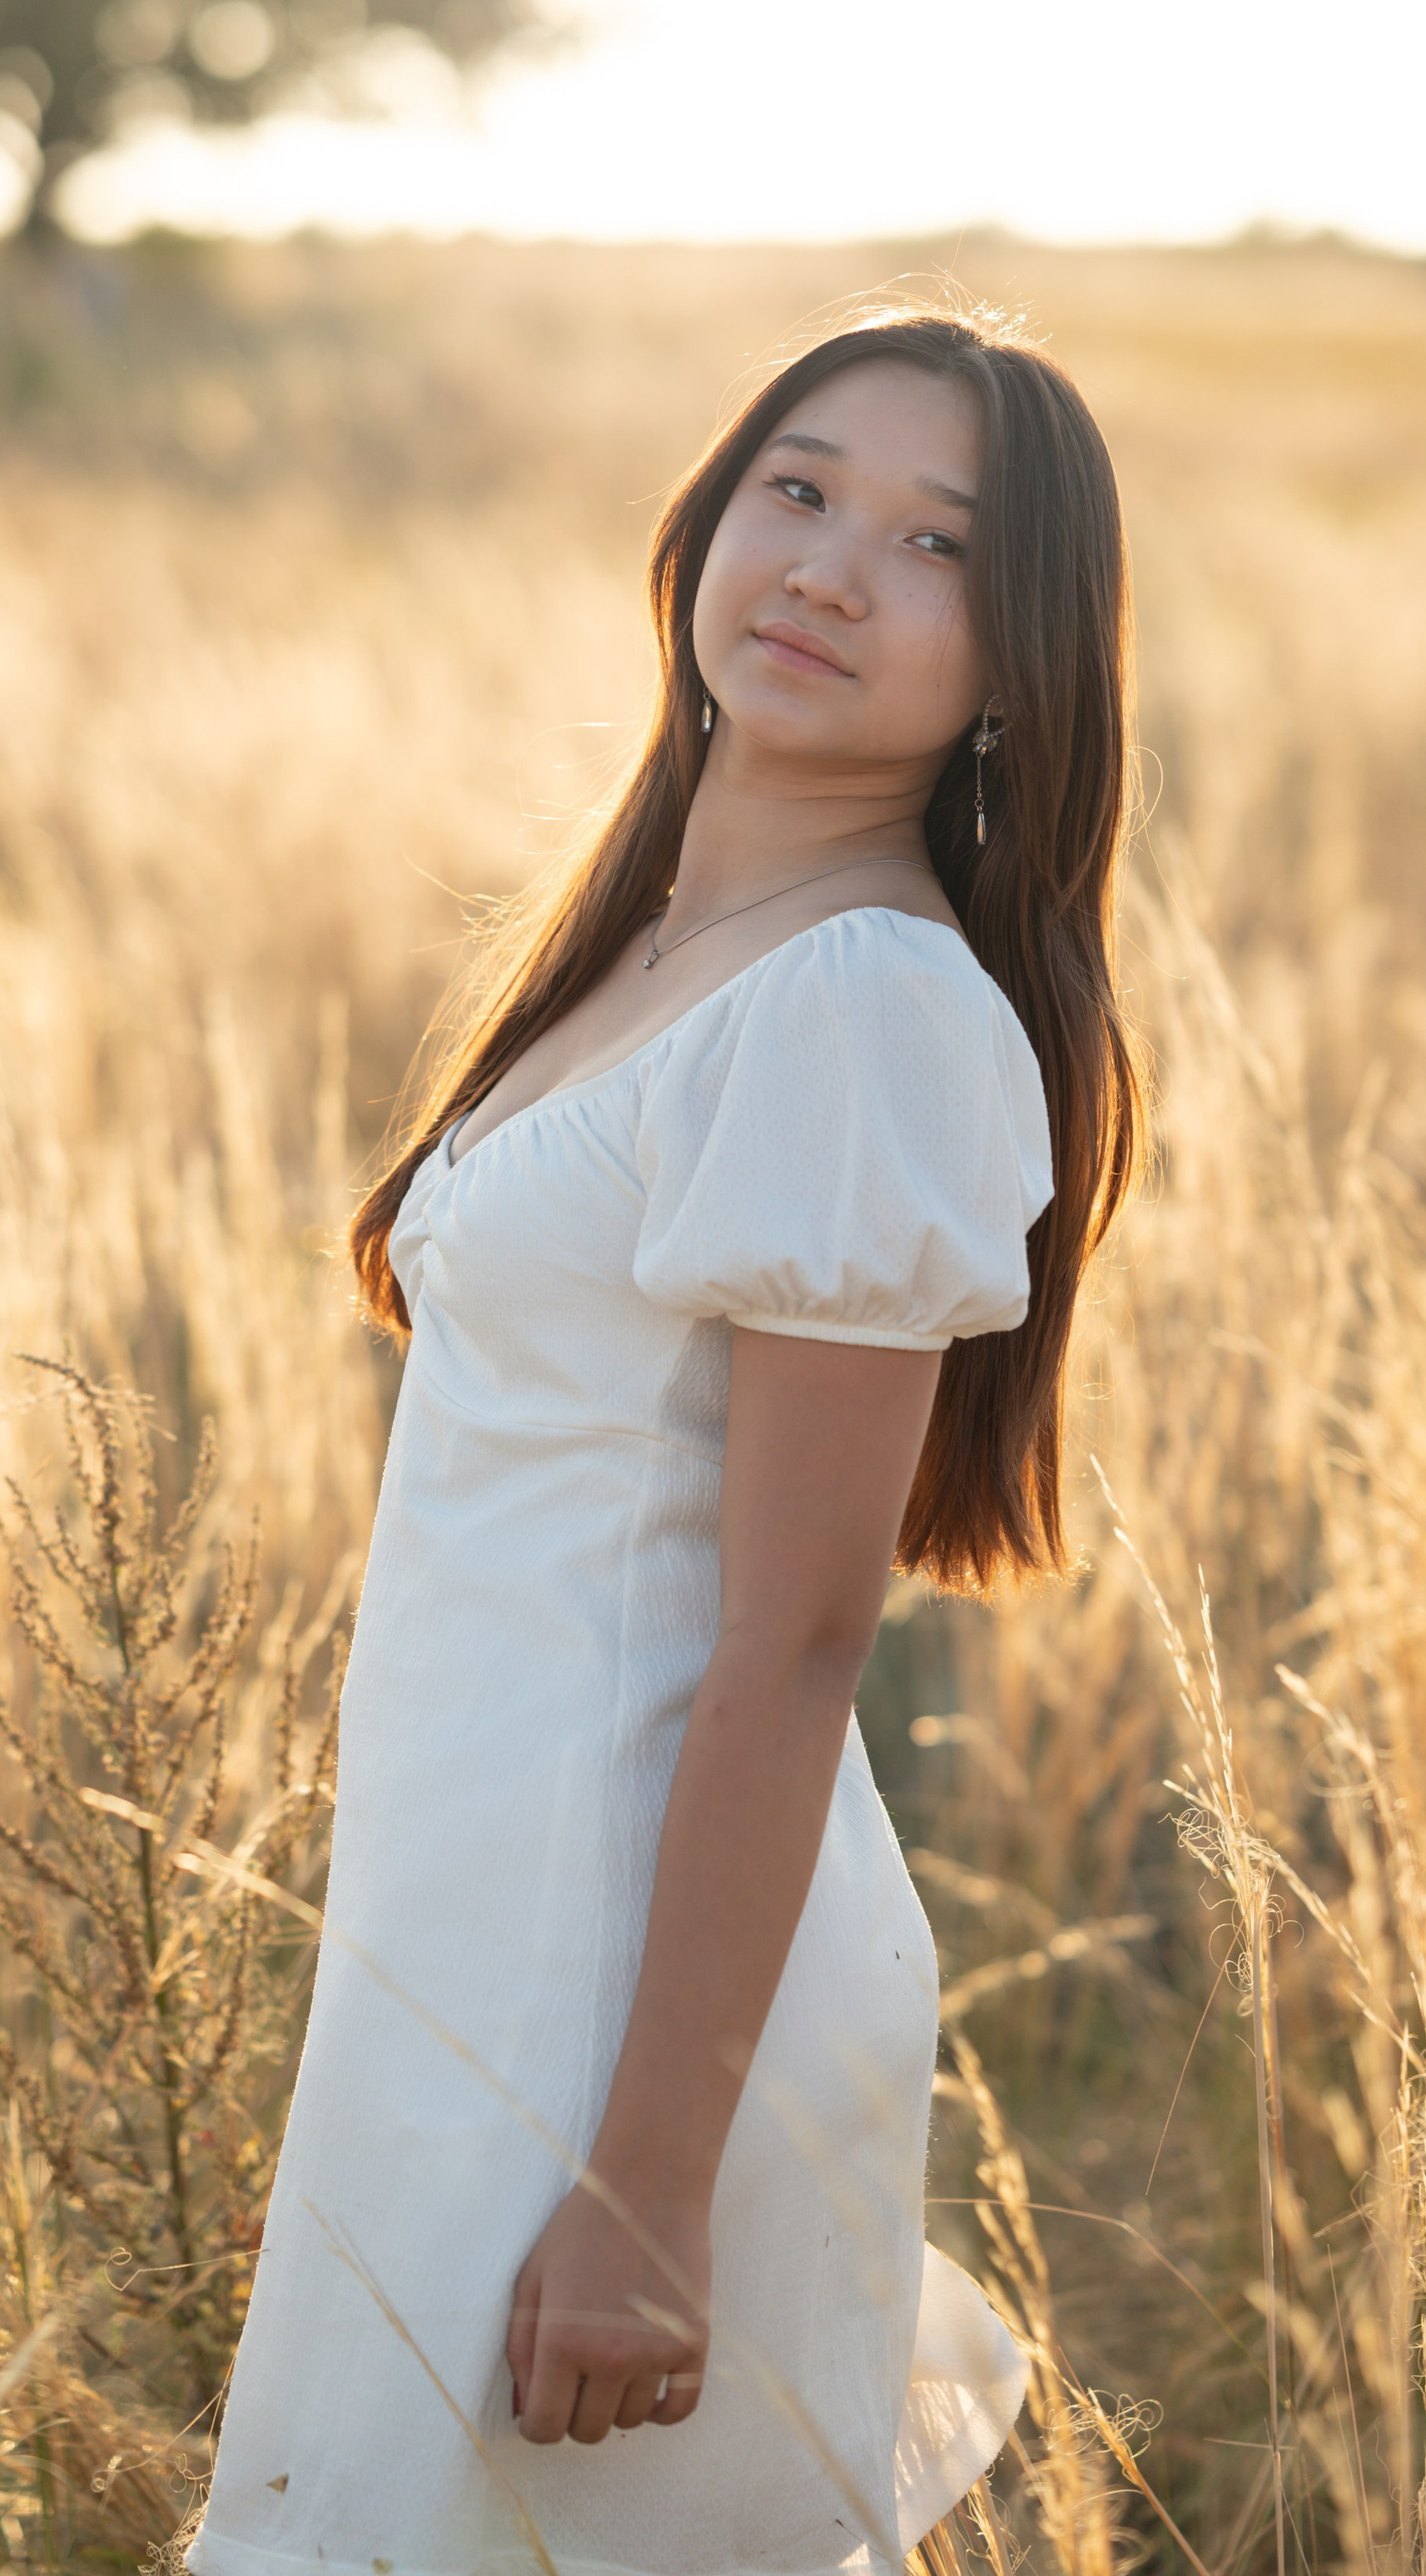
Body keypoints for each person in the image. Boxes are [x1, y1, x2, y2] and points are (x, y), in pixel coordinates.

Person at [187, 306, 1142, 2576]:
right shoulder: (665, 943)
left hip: (611, 1978)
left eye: (934, 544)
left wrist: (643, 2183)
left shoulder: (868, 1005)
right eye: (798, 489)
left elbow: (800, 1646)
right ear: (704, 522)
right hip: (476, 1914)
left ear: (1016, 664)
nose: (830, 564)